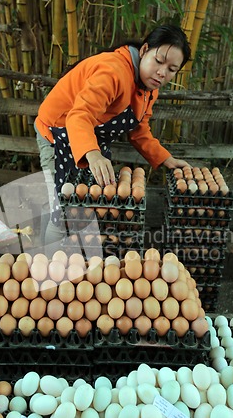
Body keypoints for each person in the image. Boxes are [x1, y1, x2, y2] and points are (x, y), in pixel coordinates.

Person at [34, 24, 191, 253]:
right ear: (145, 49)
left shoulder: (148, 88)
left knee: (92, 206)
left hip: (89, 139)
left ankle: (80, 262)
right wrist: (94, 154)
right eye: (159, 61)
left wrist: (165, 159)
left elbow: (139, 130)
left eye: (172, 69)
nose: (162, 72)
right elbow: (79, 116)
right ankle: (49, 269)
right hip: (58, 132)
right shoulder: (114, 71)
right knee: (63, 208)